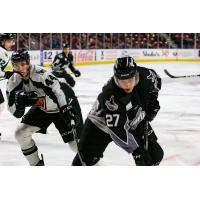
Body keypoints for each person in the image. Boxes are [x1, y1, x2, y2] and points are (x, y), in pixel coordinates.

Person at [72, 56, 164, 166]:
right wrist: (136, 151)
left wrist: (153, 101)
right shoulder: (110, 95)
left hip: (133, 115)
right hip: (100, 124)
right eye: (122, 81)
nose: (127, 85)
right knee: (84, 161)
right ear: (116, 78)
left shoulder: (146, 75)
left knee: (156, 154)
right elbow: (117, 130)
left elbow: (156, 83)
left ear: (135, 74)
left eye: (130, 80)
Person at [6, 49, 83, 166]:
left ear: (28, 63)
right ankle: (37, 165)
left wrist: (66, 109)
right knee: (21, 133)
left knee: (76, 145)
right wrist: (19, 105)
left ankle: (92, 163)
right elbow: (14, 112)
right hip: (43, 107)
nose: (20, 68)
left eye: (22, 64)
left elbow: (58, 92)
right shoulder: (13, 82)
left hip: (64, 103)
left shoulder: (40, 74)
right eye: (16, 65)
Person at [0, 33, 15, 137]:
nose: (11, 43)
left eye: (12, 41)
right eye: (9, 41)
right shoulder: (1, 52)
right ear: (2, 41)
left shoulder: (3, 52)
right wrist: (6, 74)